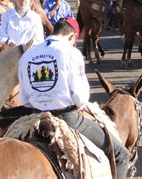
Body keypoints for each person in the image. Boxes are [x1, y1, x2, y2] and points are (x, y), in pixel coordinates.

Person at [18, 18, 130, 179]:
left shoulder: (27, 55)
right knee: (121, 154)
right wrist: (80, 104)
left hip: (34, 116)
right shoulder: (71, 52)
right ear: (72, 37)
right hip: (67, 117)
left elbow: (24, 99)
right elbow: (80, 96)